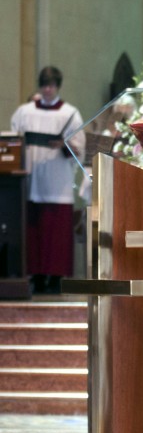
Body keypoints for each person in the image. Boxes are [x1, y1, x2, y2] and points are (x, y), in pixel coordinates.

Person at [11, 66, 84, 294]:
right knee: (34, 231)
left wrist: (65, 145)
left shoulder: (70, 113)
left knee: (56, 233)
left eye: (52, 85)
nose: (48, 90)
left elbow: (80, 147)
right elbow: (14, 139)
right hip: (32, 178)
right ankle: (35, 275)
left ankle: (55, 277)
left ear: (58, 86)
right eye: (44, 85)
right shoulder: (25, 112)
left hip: (57, 180)